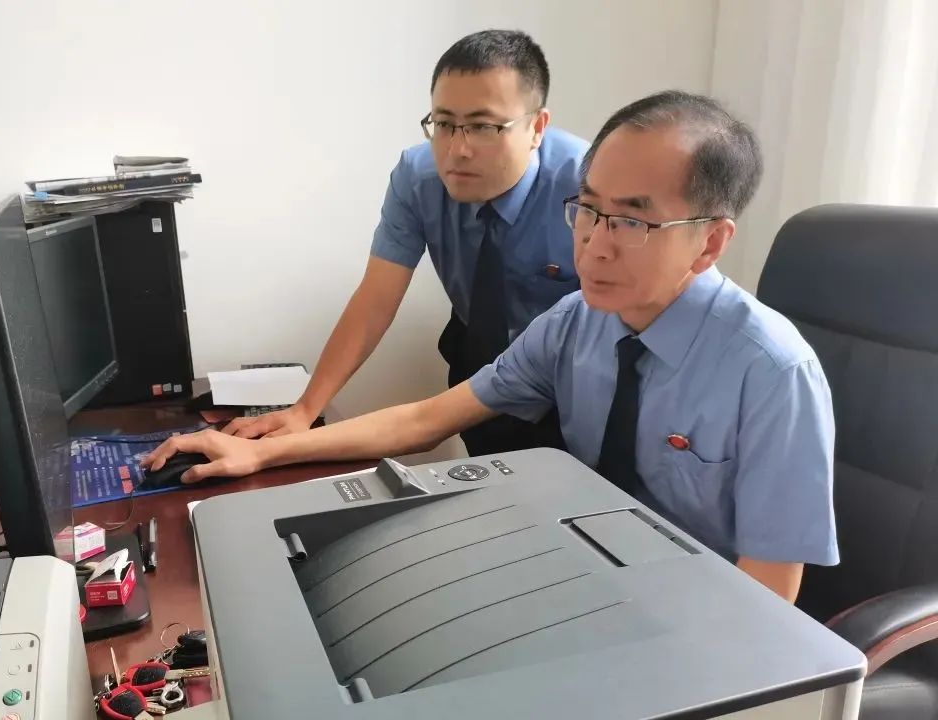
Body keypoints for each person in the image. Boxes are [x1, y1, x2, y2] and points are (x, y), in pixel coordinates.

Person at [144, 91, 838, 604]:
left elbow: (769, 593)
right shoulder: (576, 322)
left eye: (632, 221)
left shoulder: (771, 373)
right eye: (589, 208)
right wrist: (263, 451)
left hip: (698, 617)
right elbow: (428, 419)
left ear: (710, 242)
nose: (593, 245)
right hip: (584, 576)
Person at [222, 29, 590, 455]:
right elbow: (376, 298)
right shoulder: (419, 177)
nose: (458, 150)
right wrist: (304, 411)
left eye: (483, 127)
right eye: (444, 124)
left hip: (573, 373)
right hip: (478, 356)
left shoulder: (589, 186)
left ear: (537, 127)